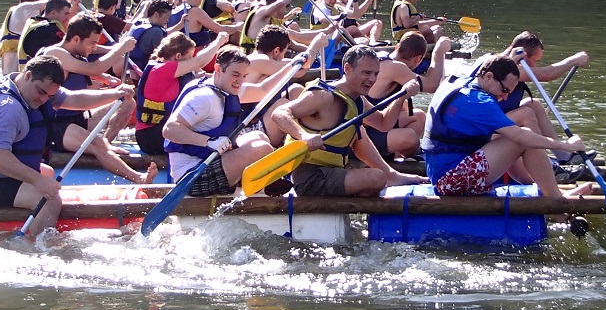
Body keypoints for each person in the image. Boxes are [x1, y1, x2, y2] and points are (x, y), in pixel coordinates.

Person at [0, 55, 133, 241]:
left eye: (49, 96)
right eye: (41, 92)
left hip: (3, 176)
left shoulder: (34, 89)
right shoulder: (6, 109)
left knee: (48, 173)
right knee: (50, 200)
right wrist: (37, 181)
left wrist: (114, 94)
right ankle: (39, 247)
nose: (44, 99)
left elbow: (74, 99)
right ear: (27, 75)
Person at [422, 55, 594, 200]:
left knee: (517, 133)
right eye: (504, 90)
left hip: (445, 172)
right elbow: (520, 137)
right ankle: (557, 205)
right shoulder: (478, 101)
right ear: (488, 76)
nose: (504, 97)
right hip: (450, 181)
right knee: (522, 139)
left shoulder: (463, 82)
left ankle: (548, 190)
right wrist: (566, 145)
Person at [271, 44, 426, 197]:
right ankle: (385, 178)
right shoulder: (323, 96)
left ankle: (390, 175)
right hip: (310, 177)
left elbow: (383, 123)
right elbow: (279, 113)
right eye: (366, 73)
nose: (372, 79)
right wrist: (304, 136)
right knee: (377, 178)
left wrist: (401, 97)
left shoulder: (358, 100)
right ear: (347, 68)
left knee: (358, 132)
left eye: (375, 74)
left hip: (333, 171)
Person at [162, 45, 297, 198]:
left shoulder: (225, 88)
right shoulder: (203, 97)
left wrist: (291, 66)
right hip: (191, 176)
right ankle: (262, 190)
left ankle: (257, 186)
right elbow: (170, 129)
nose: (239, 81)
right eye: (235, 74)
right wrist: (208, 142)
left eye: (244, 76)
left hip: (210, 160)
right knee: (262, 149)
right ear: (218, 69)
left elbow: (262, 90)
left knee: (259, 137)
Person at [36, 15, 150, 184]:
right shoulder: (55, 54)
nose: (94, 47)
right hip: (57, 125)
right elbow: (93, 67)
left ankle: (107, 143)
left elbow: (90, 63)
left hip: (79, 118)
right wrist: (118, 50)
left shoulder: (76, 52)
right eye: (92, 43)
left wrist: (106, 76)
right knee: (97, 145)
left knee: (127, 103)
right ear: (76, 39)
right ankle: (139, 178)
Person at [133, 30, 228, 155]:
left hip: (161, 131)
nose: (191, 61)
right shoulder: (161, 69)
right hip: (151, 135)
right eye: (189, 57)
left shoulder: (170, 70)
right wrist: (218, 42)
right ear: (178, 56)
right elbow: (200, 61)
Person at [363, 31, 454, 158]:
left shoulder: (388, 60)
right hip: (364, 133)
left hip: (377, 123)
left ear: (397, 47)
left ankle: (397, 155)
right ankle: (414, 156)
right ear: (418, 59)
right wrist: (438, 52)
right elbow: (432, 85)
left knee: (420, 116)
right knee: (410, 138)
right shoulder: (395, 67)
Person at [17, 0, 76, 68]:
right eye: (66, 14)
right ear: (54, 13)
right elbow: (68, 51)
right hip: (38, 77)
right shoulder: (48, 30)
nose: (68, 18)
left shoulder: (34, 22)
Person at [0, 0, 43, 75]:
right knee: (10, 75)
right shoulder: (22, 9)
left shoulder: (15, 10)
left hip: (9, 47)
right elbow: (46, 3)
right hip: (12, 48)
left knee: (9, 74)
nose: (38, 12)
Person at [126, 0, 174, 73]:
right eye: (166, 17)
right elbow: (163, 57)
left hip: (128, 66)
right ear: (156, 14)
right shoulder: (157, 32)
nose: (167, 20)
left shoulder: (140, 22)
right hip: (141, 71)